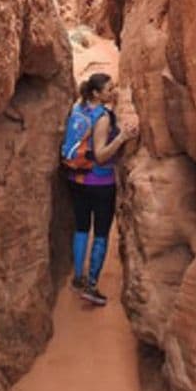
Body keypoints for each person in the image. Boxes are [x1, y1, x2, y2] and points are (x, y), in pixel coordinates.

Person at [63, 72, 137, 306]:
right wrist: (122, 137)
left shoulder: (79, 108)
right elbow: (102, 155)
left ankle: (77, 278)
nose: (113, 91)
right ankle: (92, 286)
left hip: (76, 179)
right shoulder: (102, 118)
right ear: (96, 93)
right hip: (99, 183)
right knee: (102, 233)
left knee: (82, 228)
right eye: (108, 89)